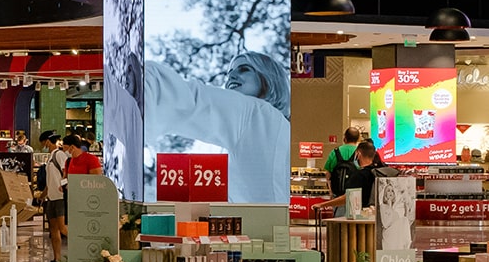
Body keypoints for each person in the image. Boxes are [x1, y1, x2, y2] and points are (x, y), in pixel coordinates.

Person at [143, 51, 290, 204]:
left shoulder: (254, 113)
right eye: (229, 73)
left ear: (267, 77)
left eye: (244, 69)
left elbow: (184, 98)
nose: (231, 77)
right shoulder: (284, 130)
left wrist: (142, 81)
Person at [38, 131, 67, 262]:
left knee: (62, 228)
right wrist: (42, 196)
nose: (42, 145)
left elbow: (66, 171)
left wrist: (64, 186)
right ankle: (56, 259)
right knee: (53, 229)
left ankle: (81, 249)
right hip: (51, 198)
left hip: (60, 197)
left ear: (47, 141)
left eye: (42, 142)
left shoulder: (59, 155)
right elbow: (50, 181)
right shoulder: (49, 158)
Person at [325, 126, 363, 195]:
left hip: (337, 195)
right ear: (358, 139)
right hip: (355, 194)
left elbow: (328, 174)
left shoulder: (335, 152)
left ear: (344, 138)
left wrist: (330, 191)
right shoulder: (360, 153)